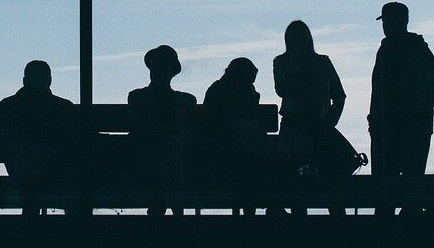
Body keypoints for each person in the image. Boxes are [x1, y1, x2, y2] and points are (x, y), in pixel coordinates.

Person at [369, 2, 434, 216]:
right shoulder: (421, 49)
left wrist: (375, 122)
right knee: (413, 185)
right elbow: (433, 93)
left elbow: (379, 91)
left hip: (389, 130)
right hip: (418, 127)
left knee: (385, 189)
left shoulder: (387, 50)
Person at [273, 20, 346, 215]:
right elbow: (282, 90)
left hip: (318, 126)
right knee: (295, 179)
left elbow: (339, 95)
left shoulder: (322, 62)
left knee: (327, 177)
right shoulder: (281, 62)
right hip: (294, 126)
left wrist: (331, 120)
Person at [201, 58, 284, 215]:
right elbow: (216, 123)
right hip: (224, 147)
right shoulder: (221, 91)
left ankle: (269, 205)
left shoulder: (235, 91)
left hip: (237, 146)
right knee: (253, 161)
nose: (251, 84)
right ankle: (271, 205)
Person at [0, 60, 78, 215]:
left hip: (20, 171)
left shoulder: (7, 106)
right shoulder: (63, 108)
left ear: (24, 80)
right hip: (56, 171)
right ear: (49, 80)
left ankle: (31, 225)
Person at [128, 45, 197, 216]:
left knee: (167, 151)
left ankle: (158, 209)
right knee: (169, 150)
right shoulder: (185, 101)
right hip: (165, 159)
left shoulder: (138, 97)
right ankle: (173, 211)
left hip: (150, 160)